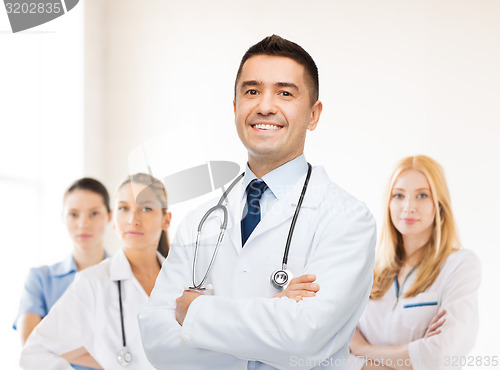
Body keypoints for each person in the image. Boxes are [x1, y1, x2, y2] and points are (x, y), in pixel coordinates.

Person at [138, 35, 376, 369]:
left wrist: (193, 312)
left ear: (313, 114)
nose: (265, 106)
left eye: (285, 92)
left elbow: (305, 337)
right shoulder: (200, 220)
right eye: (252, 91)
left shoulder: (347, 219)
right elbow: (157, 340)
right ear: (236, 108)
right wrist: (273, 314)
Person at [20, 173, 172, 370]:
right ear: (114, 219)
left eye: (146, 208)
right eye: (123, 208)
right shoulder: (91, 282)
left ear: (166, 220)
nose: (133, 219)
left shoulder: (188, 280)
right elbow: (34, 351)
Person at [348, 155, 481, 370]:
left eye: (422, 195)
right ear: (388, 202)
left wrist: (363, 350)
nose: (408, 206)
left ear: (439, 204)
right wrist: (416, 354)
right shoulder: (365, 268)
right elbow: (332, 352)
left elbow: (442, 356)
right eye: (399, 195)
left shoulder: (460, 266)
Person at [14, 177, 111, 370]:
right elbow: (31, 349)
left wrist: (58, 348)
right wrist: (114, 357)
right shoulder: (40, 279)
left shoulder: (127, 277)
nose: (83, 223)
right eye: (73, 214)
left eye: (94, 213)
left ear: (109, 216)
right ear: (63, 217)